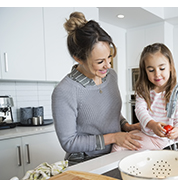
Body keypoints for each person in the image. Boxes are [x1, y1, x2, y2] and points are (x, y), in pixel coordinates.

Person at [52, 12, 142, 165]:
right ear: (78, 58)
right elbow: (69, 142)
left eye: (109, 57)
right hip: (85, 162)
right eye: (100, 61)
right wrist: (114, 137)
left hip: (115, 154)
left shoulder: (111, 76)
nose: (108, 65)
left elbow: (110, 112)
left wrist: (126, 126)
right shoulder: (65, 91)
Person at [112, 43, 178, 152]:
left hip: (160, 140)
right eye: (151, 70)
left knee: (118, 147)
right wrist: (152, 125)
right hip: (146, 134)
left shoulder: (176, 93)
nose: (157, 74)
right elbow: (139, 110)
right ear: (145, 71)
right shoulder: (143, 90)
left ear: (170, 67)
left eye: (162, 68)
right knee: (123, 142)